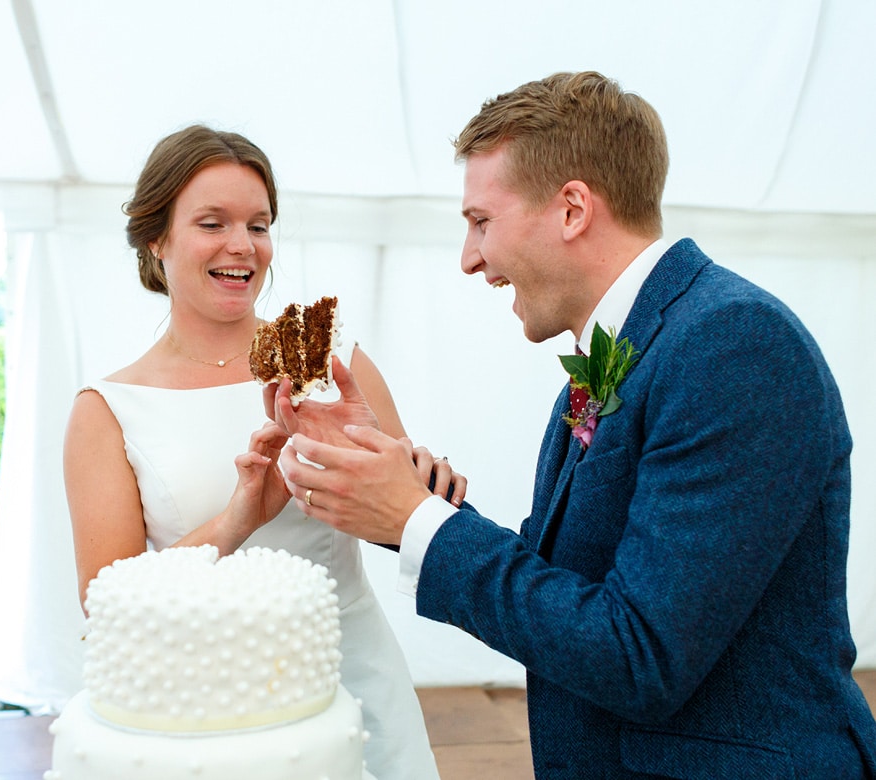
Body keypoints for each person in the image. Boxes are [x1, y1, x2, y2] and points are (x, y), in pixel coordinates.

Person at [271, 72, 876, 777]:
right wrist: (400, 498)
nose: (470, 259)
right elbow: (569, 591)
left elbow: (638, 655)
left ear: (572, 209)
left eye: (481, 222)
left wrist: (418, 525)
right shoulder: (616, 359)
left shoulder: (735, 343)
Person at [62, 124, 454, 780]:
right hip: (205, 710)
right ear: (156, 238)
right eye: (213, 223)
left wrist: (426, 486)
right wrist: (241, 516)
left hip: (352, 678)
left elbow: (410, 525)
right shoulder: (106, 410)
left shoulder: (332, 363)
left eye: (260, 224)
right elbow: (108, 602)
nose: (242, 246)